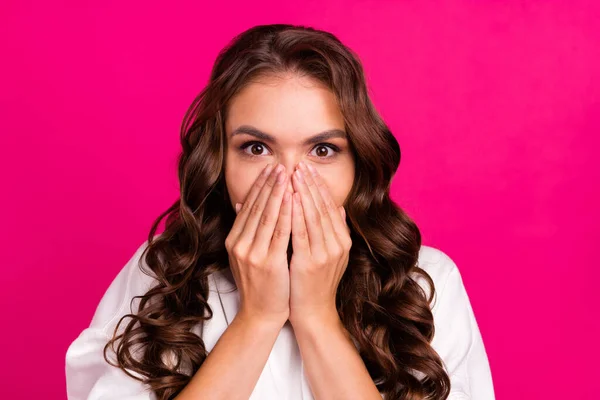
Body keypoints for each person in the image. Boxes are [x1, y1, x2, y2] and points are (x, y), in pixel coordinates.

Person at [65, 24, 495, 400]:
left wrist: (317, 317)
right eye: (256, 148)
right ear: (219, 160)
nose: (288, 180)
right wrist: (258, 318)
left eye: (323, 150)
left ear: (359, 161)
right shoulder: (162, 270)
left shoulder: (425, 281)